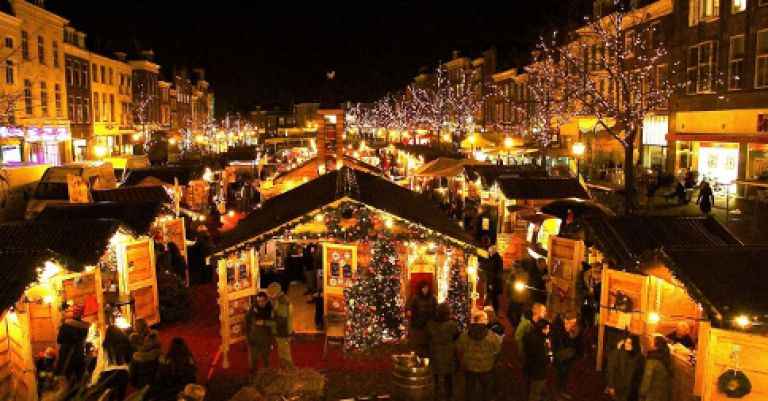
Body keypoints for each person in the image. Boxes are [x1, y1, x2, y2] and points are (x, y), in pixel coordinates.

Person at [456, 311, 503, 401]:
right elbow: (497, 350)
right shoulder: (491, 336)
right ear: (481, 320)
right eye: (485, 319)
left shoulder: (465, 335)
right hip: (486, 367)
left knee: (470, 388)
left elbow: (459, 348)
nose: (487, 321)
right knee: (486, 389)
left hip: (469, 366)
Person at [426, 303, 459, 401]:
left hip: (435, 351)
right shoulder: (452, 325)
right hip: (448, 352)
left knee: (435, 374)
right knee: (448, 376)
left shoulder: (430, 324)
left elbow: (427, 337)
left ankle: (435, 392)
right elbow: (456, 336)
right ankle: (448, 395)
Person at [90, 325, 132, 401]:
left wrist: (93, 381)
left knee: (110, 397)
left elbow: (100, 365)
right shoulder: (126, 345)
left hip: (109, 375)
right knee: (121, 397)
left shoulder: (105, 347)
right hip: (123, 374)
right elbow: (129, 361)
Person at [54, 304, 91, 382]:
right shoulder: (85, 327)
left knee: (66, 377)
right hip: (79, 354)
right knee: (79, 377)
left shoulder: (65, 326)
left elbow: (59, 340)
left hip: (66, 354)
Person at [551, 312, 582, 399]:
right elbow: (556, 342)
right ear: (566, 320)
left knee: (565, 375)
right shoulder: (557, 328)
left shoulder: (571, 327)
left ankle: (562, 390)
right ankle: (557, 393)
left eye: (574, 323)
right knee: (559, 375)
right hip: (559, 357)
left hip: (567, 356)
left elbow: (575, 339)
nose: (573, 325)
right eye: (572, 322)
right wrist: (566, 332)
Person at [606, 335, 644, 401]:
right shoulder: (618, 354)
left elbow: (639, 375)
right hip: (618, 388)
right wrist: (611, 385)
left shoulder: (639, 358)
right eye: (626, 342)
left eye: (629, 343)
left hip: (631, 392)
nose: (626, 345)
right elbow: (611, 370)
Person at [406, 280, 438, 357]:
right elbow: (409, 304)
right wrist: (408, 310)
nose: (425, 290)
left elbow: (436, 306)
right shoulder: (416, 297)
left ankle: (428, 350)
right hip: (419, 319)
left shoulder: (432, 297)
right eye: (423, 288)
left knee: (428, 335)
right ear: (421, 289)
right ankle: (419, 351)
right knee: (419, 337)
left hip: (430, 319)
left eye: (426, 288)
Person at [523, 319, 552, 401]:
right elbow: (543, 357)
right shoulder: (541, 341)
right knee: (535, 392)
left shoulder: (529, 336)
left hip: (529, 368)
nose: (549, 330)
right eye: (548, 328)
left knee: (534, 387)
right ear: (542, 329)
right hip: (539, 371)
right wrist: (549, 357)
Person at [266, 282, 294, 369]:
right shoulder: (281, 300)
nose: (269, 297)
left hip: (282, 331)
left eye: (270, 295)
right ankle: (286, 369)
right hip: (282, 330)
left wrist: (265, 323)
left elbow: (281, 321)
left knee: (284, 353)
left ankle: (289, 371)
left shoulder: (282, 303)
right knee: (283, 351)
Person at [245, 291, 273, 373]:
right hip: (253, 339)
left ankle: (267, 375)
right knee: (253, 361)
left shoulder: (271, 309)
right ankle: (253, 377)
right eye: (258, 301)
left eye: (262, 300)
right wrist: (248, 336)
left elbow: (274, 323)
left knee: (266, 359)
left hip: (265, 339)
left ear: (266, 300)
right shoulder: (253, 308)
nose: (260, 303)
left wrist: (264, 322)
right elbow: (247, 320)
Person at [639, 335, 672, 401]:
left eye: (651, 342)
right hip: (664, 394)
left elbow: (647, 380)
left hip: (653, 395)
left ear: (656, 346)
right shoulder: (664, 357)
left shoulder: (652, 361)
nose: (649, 343)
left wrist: (641, 394)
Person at [483, 246, 504, 313]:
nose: (489, 253)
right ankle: (495, 311)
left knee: (493, 297)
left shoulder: (497, 260)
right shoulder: (494, 258)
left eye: (490, 252)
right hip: (493, 282)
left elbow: (496, 273)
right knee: (493, 297)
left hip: (494, 283)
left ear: (493, 251)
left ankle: (494, 312)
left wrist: (492, 283)